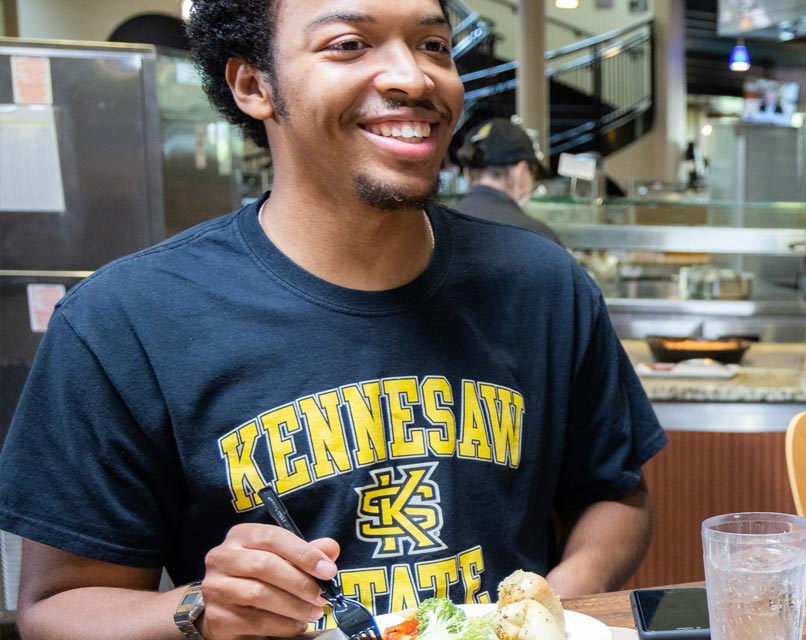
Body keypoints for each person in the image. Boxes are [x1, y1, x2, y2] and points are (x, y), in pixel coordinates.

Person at [0, 0, 666, 638]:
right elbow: (58, 607)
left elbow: (614, 494)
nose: (413, 76)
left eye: (434, 45)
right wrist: (202, 607)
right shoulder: (126, 321)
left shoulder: (543, 284)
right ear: (253, 84)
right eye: (349, 44)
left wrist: (547, 608)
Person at [452, 116, 564, 244]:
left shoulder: (437, 228)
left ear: (467, 174)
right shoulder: (539, 237)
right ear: (520, 172)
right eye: (534, 175)